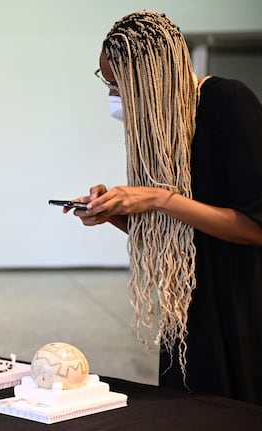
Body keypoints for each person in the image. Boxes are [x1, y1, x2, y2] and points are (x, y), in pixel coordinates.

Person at [67, 10, 262, 404]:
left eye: (119, 84)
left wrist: (159, 198)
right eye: (107, 82)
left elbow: (254, 228)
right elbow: (173, 230)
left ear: (153, 76)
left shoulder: (228, 103)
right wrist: (114, 213)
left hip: (239, 304)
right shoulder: (160, 132)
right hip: (187, 303)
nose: (113, 96)